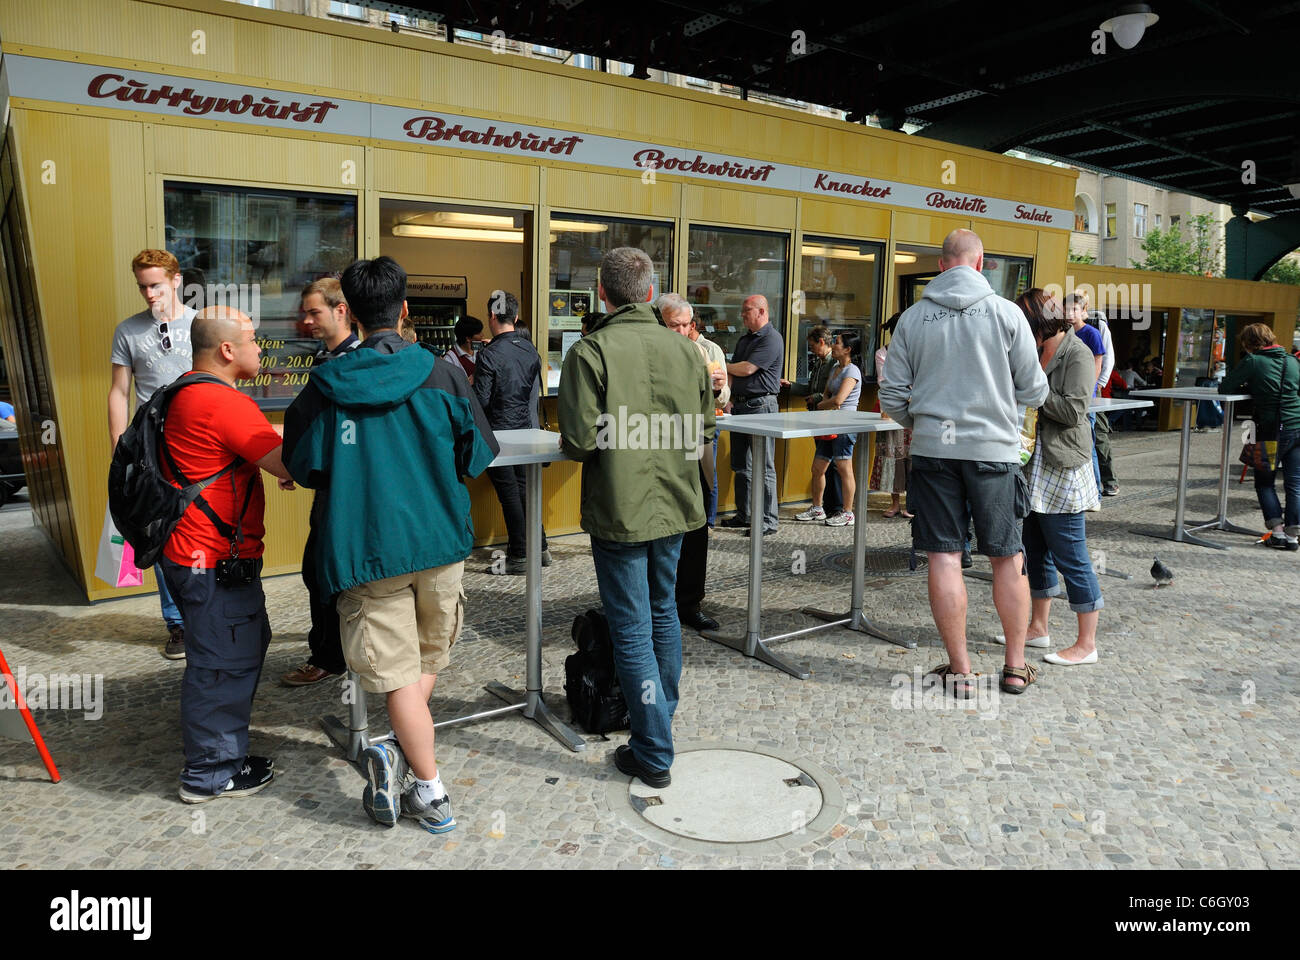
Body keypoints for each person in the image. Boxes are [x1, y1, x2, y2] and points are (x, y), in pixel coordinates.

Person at [283, 256, 498, 834]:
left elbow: (304, 465)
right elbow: (478, 453)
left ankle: (408, 765)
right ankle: (429, 788)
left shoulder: (325, 386)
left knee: (406, 673)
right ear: (405, 309)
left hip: (365, 548)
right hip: (438, 540)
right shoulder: (444, 373)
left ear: (348, 312)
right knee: (423, 663)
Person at [559, 247, 714, 788]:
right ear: (650, 293)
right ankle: (657, 728)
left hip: (621, 510)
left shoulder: (589, 352)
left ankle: (652, 748)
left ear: (602, 292)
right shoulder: (688, 353)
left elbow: (579, 441)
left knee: (631, 628)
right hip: (675, 502)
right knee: (663, 613)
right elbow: (704, 431)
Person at [880, 228, 1049, 697]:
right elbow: (1036, 390)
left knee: (944, 556)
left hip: (935, 450)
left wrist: (924, 419)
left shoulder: (913, 319)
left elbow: (892, 395)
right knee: (1007, 557)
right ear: (980, 265)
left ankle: (961, 670)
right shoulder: (1006, 314)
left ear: (940, 267)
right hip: (994, 452)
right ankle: (1014, 667)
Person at [160, 306, 296, 802]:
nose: (260, 349)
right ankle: (210, 773)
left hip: (190, 553)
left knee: (236, 645)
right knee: (223, 662)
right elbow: (288, 459)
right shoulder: (224, 403)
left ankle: (224, 752)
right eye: (254, 340)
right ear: (226, 350)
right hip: (210, 558)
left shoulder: (184, 390)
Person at [1001, 289, 1103, 666]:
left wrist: (1033, 390)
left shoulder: (1076, 353)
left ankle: (1086, 642)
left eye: (1027, 325)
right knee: (1034, 551)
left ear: (1041, 323)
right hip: (1032, 464)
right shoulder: (1034, 348)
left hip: (1061, 466)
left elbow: (1075, 411)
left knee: (1071, 555)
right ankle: (1038, 628)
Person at [109, 249, 197, 661]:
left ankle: (204, 612)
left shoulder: (201, 324)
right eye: (143, 286)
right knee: (159, 532)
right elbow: (119, 392)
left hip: (197, 444)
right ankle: (176, 623)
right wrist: (118, 448)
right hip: (149, 450)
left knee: (201, 525)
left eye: (156, 284)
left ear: (176, 281)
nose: (148, 293)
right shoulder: (128, 331)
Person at [280, 278, 358, 687]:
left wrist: (302, 464)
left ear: (341, 310)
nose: (306, 320)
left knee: (324, 571)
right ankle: (335, 652)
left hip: (344, 491)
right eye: (305, 312)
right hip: (330, 484)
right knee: (320, 572)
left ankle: (330, 656)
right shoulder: (328, 360)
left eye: (315, 312)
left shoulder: (350, 363)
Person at [657, 292, 728, 632]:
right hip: (657, 448)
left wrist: (718, 389)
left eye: (687, 325)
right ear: (661, 323)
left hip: (694, 448)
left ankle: (690, 602)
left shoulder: (702, 351)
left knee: (696, 528)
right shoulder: (652, 351)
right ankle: (659, 600)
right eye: (675, 325)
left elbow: (721, 398)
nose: (682, 331)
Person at [474, 291, 550, 574]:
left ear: (492, 316)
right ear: (516, 318)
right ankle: (539, 547)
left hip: (498, 433)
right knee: (525, 490)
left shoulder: (490, 354)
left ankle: (519, 554)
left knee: (510, 493)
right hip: (525, 431)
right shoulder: (530, 350)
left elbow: (481, 400)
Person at [1219, 323, 1300, 550]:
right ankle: (1293, 536)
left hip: (1271, 430)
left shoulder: (1253, 361)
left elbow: (1225, 387)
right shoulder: (1292, 361)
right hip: (1297, 426)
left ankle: (1277, 532)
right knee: (1294, 484)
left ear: (1249, 343)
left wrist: (1252, 385)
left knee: (1265, 483)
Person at [721, 294, 784, 535]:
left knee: (763, 466)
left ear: (761, 311)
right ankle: (745, 514)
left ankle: (768, 521)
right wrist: (728, 399)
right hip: (741, 406)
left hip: (761, 406)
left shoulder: (771, 338)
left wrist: (718, 364)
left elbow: (747, 369)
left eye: (746, 310)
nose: (742, 314)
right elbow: (735, 374)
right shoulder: (745, 339)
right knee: (741, 465)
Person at [805, 332, 863, 526]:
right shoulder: (836, 369)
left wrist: (823, 404)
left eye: (837, 343)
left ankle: (847, 512)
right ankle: (817, 508)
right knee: (818, 468)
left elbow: (838, 400)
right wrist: (826, 402)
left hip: (845, 425)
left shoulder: (852, 371)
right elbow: (827, 394)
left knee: (844, 468)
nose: (834, 345)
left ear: (848, 349)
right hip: (830, 423)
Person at [788, 325, 844, 522]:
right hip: (818, 418)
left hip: (828, 419)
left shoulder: (834, 364)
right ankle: (825, 507)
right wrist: (792, 386)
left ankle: (835, 507)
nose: (811, 350)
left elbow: (837, 393)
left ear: (822, 342)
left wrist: (817, 397)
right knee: (823, 464)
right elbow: (812, 388)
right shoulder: (820, 362)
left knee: (830, 464)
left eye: (812, 346)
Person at [1063, 294, 1106, 502]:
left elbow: (1098, 363)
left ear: (1083, 311)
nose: (1070, 314)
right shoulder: (1063, 332)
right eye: (1066, 310)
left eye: (1074, 309)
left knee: (1088, 442)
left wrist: (1089, 389)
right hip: (1068, 393)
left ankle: (1096, 491)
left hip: (1085, 395)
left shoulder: (1091, 333)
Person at [871, 312, 912, 519]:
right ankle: (894, 502)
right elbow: (884, 381)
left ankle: (911, 503)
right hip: (893, 411)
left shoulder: (915, 350)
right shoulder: (882, 353)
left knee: (912, 456)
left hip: (913, 410)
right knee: (892, 456)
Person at [442, 315, 487, 383]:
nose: (482, 335)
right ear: (468, 338)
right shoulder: (450, 359)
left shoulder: (480, 348)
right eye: (478, 333)